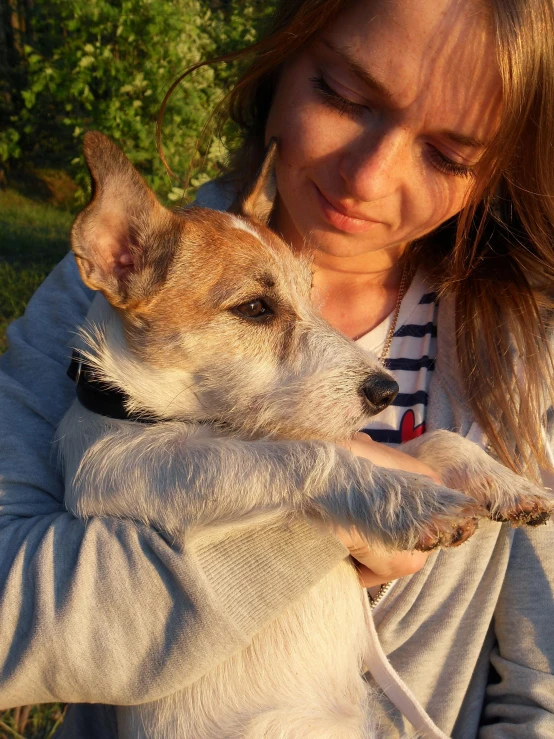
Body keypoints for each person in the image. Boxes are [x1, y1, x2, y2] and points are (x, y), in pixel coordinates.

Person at [1, 0, 553, 735]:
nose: (369, 176)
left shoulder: (520, 353)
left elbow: (539, 683)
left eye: (448, 155)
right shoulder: (95, 312)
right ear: (284, 58)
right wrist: (324, 512)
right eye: (345, 96)